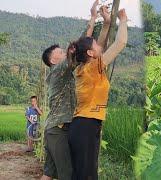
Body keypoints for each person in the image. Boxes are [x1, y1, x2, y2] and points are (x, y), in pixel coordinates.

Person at [40, 0, 111, 179]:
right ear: (54, 61)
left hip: (55, 130)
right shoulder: (57, 71)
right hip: (59, 130)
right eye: (61, 54)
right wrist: (93, 19)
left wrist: (95, 18)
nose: (66, 54)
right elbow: (79, 47)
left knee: (49, 174)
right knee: (68, 174)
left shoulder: (68, 73)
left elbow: (82, 49)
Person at [68, 8, 128, 180]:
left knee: (83, 174)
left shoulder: (84, 68)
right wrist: (122, 20)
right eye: (95, 45)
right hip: (86, 126)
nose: (99, 46)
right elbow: (120, 43)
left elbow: (100, 45)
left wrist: (107, 22)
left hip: (82, 125)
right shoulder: (94, 68)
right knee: (86, 176)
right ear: (90, 53)